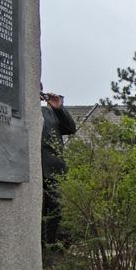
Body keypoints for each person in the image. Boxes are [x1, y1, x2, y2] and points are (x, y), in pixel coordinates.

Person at [40, 91, 77, 247]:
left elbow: (70, 128)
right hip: (32, 166)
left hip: (52, 167)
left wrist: (59, 108)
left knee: (54, 207)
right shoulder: (21, 108)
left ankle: (49, 244)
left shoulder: (50, 112)